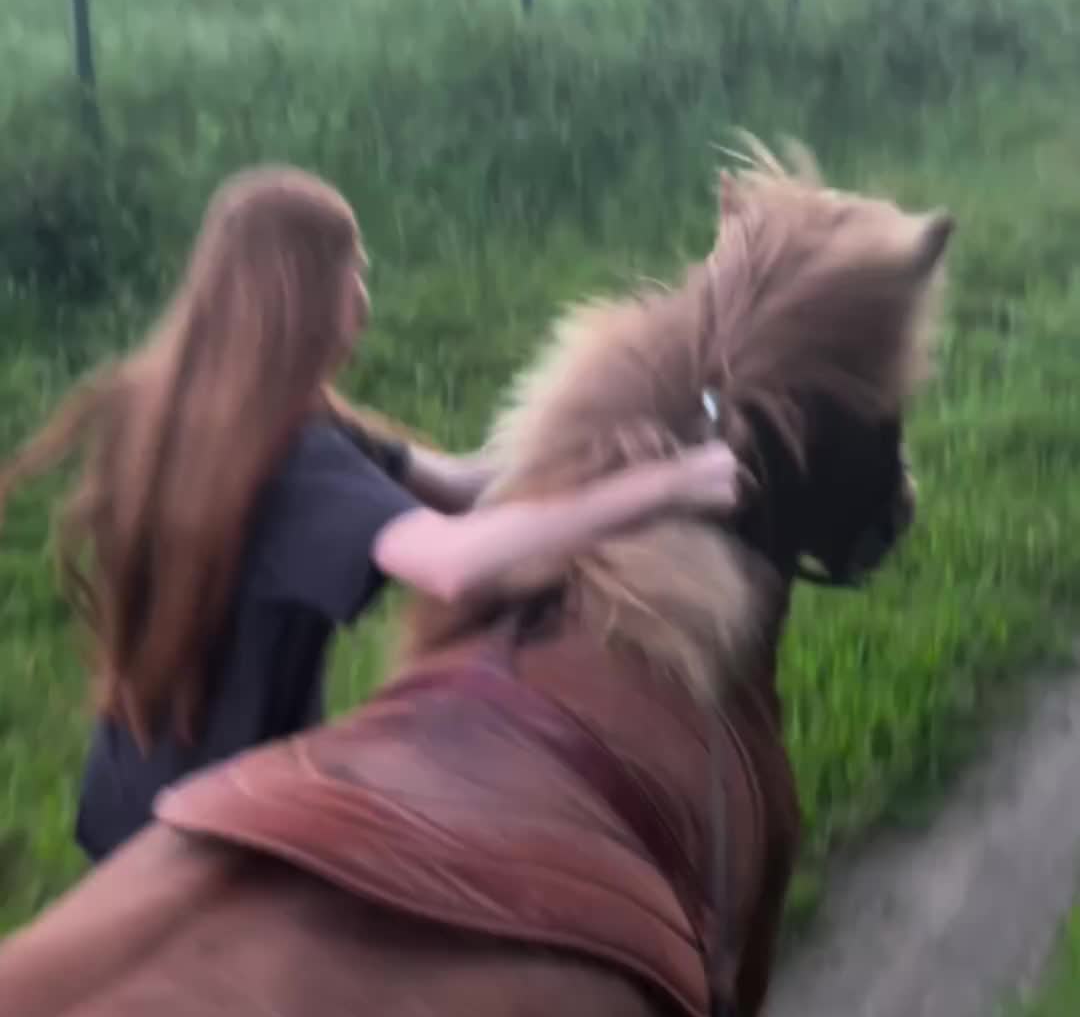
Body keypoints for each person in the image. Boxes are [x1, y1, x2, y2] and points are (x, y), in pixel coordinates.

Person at [0, 165, 740, 864]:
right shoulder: (295, 462)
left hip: (128, 790)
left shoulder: (179, 407)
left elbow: (457, 484)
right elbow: (454, 561)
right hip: (222, 820)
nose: (363, 298)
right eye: (353, 275)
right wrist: (669, 489)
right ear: (307, 298)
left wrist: (600, 462)